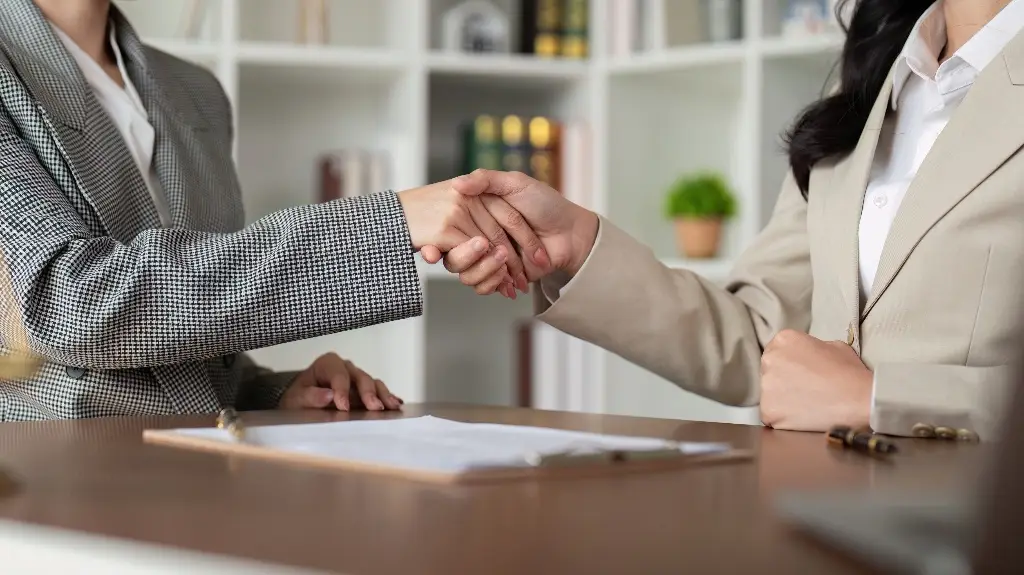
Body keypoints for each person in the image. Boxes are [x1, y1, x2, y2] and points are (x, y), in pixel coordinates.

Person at [436, 0, 1024, 440]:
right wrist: (578, 245)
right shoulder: (873, 82)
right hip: (825, 519)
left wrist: (882, 399)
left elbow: (851, 389)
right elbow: (758, 341)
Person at [0, 0, 545, 420]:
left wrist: (272, 391)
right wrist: (390, 224)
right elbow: (66, 306)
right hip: (56, 481)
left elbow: (181, 325)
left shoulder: (195, 91)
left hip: (202, 477)